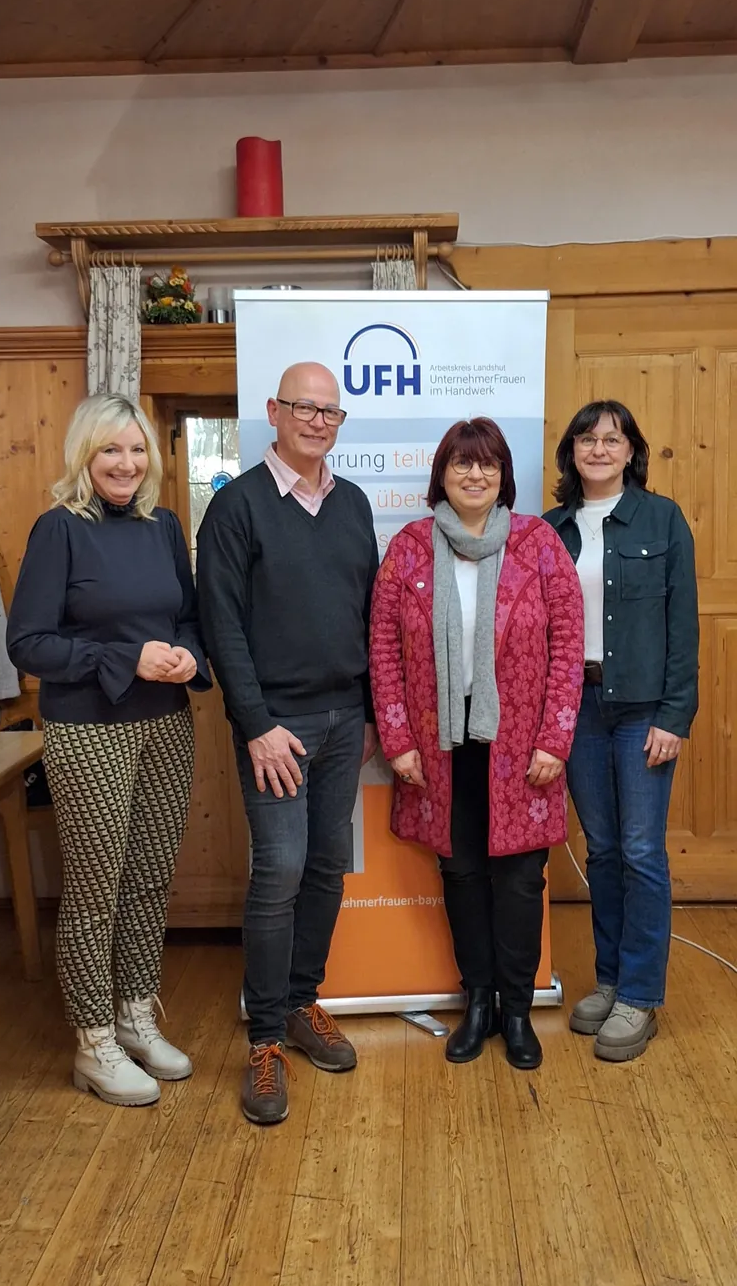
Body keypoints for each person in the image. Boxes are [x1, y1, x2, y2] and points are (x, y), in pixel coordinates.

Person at [7, 393, 211, 1107]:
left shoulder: (163, 527)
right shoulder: (59, 529)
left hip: (164, 724)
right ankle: (92, 1041)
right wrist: (126, 658)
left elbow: (186, 617)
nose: (126, 464)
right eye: (109, 451)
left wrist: (186, 654)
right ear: (84, 458)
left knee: (150, 879)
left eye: (136, 450)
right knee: (96, 890)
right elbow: (28, 643)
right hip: (89, 729)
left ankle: (133, 1015)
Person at [196, 361, 379, 1126]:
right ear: (273, 411)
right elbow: (221, 626)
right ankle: (266, 1036)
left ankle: (305, 1002)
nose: (316, 420)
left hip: (345, 721)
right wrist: (256, 724)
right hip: (276, 726)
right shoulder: (236, 507)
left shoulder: (354, 502)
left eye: (329, 411)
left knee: (329, 866)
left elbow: (366, 610)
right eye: (303, 406)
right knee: (282, 869)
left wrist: (369, 711)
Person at [370, 418, 584, 1070]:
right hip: (439, 747)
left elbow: (569, 646)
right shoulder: (408, 547)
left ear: (502, 475)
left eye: (487, 464)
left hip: (521, 747)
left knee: (520, 881)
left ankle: (517, 1011)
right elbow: (381, 647)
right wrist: (398, 738)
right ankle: (480, 1002)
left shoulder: (539, 543)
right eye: (462, 463)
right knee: (461, 875)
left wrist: (555, 736)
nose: (474, 474)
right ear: (443, 473)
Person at [544, 400, 698, 1061]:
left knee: (640, 850)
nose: (600, 448)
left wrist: (674, 716)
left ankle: (640, 994)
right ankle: (609, 980)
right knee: (602, 849)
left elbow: (684, 627)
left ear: (631, 450)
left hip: (641, 711)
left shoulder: (662, 519)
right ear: (571, 451)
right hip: (575, 706)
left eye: (613, 438)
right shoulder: (550, 529)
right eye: (588, 438)